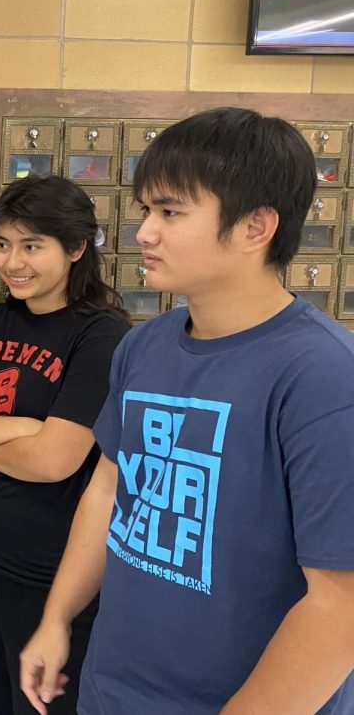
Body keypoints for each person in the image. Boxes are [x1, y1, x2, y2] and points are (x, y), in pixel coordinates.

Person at [21, 108, 354, 714]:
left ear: (256, 227)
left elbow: (341, 604)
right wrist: (58, 616)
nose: (143, 232)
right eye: (147, 210)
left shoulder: (324, 375)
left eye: (170, 212)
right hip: (113, 689)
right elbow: (110, 487)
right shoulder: (145, 343)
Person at [0, 175, 129, 714]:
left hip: (52, 566)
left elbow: (56, 461)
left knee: (42, 706)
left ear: (77, 248)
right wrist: (26, 428)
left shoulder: (102, 335)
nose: (12, 261)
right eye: (3, 244)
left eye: (32, 246)